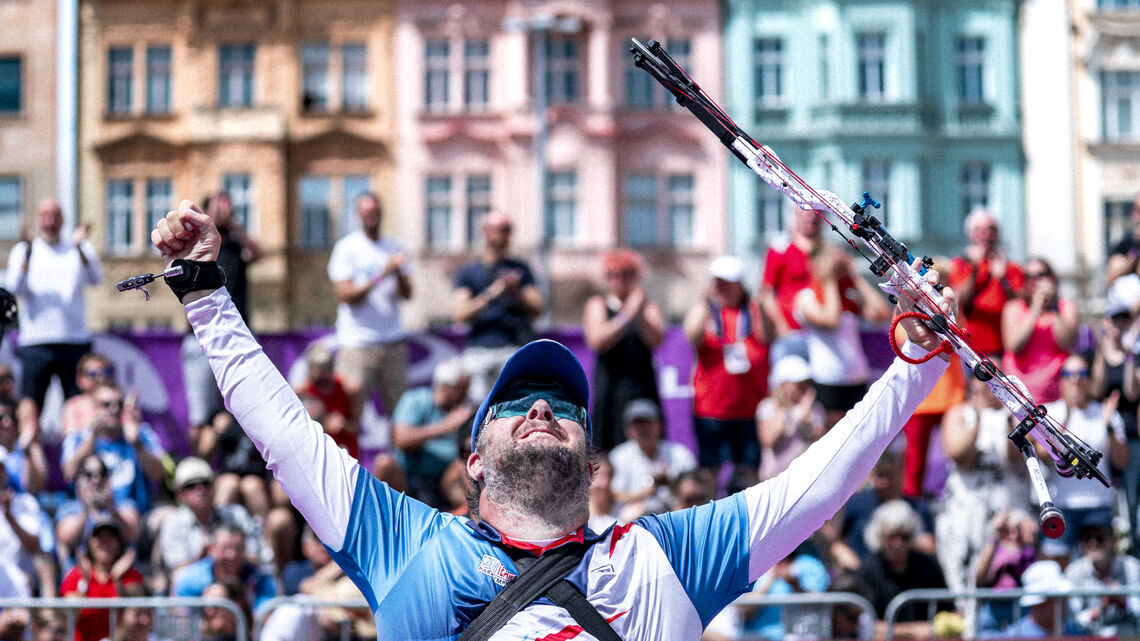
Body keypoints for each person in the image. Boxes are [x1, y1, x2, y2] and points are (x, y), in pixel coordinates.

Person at [150, 199, 955, 640]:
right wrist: (206, 290)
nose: (541, 406)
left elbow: (817, 484)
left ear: (594, 465)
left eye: (566, 407)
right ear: (473, 459)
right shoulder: (409, 544)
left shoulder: (662, 557)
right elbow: (283, 431)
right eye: (514, 404)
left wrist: (916, 359)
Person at [934, 374, 1033, 594]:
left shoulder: (1012, 416)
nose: (988, 387)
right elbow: (959, 455)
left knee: (1007, 576)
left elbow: (1015, 457)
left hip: (1007, 511)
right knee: (964, 577)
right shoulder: (959, 413)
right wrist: (977, 419)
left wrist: (1008, 420)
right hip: (966, 515)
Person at [684, 255, 774, 493]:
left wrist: (762, 304)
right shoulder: (707, 311)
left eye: (728, 283)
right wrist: (705, 300)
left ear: (740, 284)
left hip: (749, 409)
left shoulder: (753, 311)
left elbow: (768, 336)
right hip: (711, 408)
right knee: (709, 473)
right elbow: (692, 335)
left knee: (749, 473)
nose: (722, 288)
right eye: (718, 282)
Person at [5, 199, 103, 410]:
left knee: (78, 406)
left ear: (63, 220)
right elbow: (13, 286)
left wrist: (79, 247)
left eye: (55, 216)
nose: (50, 222)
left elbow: (96, 279)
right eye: (45, 216)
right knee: (31, 406)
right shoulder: (23, 250)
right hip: (36, 341)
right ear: (37, 220)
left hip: (74, 339)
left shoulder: (78, 247)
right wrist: (29, 252)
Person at [181, 190, 263, 428]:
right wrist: (210, 223)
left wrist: (234, 225)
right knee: (200, 417)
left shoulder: (236, 246)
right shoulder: (197, 246)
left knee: (250, 410)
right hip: (201, 337)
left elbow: (258, 254)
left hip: (237, 335)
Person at [328, 192, 412, 422]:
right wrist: (382, 272)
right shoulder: (346, 248)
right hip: (357, 343)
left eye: (375, 212)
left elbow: (408, 294)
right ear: (357, 215)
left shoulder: (395, 246)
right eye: (367, 212)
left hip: (392, 342)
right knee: (349, 417)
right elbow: (345, 295)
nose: (372, 216)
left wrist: (399, 273)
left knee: (402, 416)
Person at [1041, 353, 1129, 563]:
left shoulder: (1105, 413)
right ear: (1061, 380)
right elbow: (1044, 457)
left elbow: (1122, 461)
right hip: (1062, 505)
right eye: (1068, 374)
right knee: (1057, 569)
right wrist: (1066, 416)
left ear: (1089, 379)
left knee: (1099, 570)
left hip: (1098, 505)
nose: (1076, 380)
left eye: (1081, 373)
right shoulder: (1050, 413)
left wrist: (1108, 425)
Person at [451, 211, 544, 401]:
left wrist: (516, 292)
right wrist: (494, 292)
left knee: (513, 405)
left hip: (513, 346)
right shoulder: (469, 271)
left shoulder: (521, 269)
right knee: (477, 406)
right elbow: (459, 314)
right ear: (486, 232)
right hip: (479, 348)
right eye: (501, 229)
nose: (506, 235)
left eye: (508, 230)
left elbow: (538, 308)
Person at [794, 246, 890, 427]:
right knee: (833, 434)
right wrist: (828, 279)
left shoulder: (847, 294)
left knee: (860, 432)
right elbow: (831, 321)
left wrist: (854, 276)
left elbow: (881, 314)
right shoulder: (806, 297)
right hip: (828, 379)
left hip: (857, 377)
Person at [582, 249, 665, 451]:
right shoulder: (598, 304)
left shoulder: (647, 307)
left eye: (626, 273)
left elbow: (656, 339)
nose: (620, 280)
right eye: (613, 274)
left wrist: (639, 312)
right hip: (611, 389)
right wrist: (628, 314)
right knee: (607, 447)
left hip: (641, 388)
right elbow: (597, 340)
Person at [154, 457, 259, 590]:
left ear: (214, 488)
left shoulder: (236, 514)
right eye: (191, 486)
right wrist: (204, 558)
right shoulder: (172, 523)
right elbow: (177, 573)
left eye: (205, 483)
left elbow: (255, 558)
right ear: (179, 494)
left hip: (239, 586)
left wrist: (227, 553)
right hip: (195, 592)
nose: (200, 489)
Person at [60, 383, 165, 514]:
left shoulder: (141, 433)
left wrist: (136, 442)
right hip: (88, 514)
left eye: (119, 404)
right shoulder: (77, 438)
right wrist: (93, 436)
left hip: (134, 514)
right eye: (106, 404)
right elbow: (69, 473)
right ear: (93, 408)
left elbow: (158, 474)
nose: (114, 409)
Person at [853, 500, 950, 635]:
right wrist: (913, 631)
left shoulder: (928, 566)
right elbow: (863, 625)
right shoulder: (867, 570)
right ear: (880, 537)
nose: (898, 543)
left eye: (904, 537)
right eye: (891, 537)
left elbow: (950, 611)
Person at [389, 358, 476, 508]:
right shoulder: (417, 400)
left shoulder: (466, 410)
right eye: (461, 389)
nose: (465, 394)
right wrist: (446, 427)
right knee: (385, 464)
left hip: (446, 480)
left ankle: (469, 513)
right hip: (410, 476)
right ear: (446, 387)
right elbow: (401, 439)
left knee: (464, 466)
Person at [1091, 295, 1140, 552]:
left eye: (1124, 320)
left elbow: (1131, 392)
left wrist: (1129, 354)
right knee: (1106, 494)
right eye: (1115, 320)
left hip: (1130, 435)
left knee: (1131, 498)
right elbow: (1097, 389)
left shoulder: (1134, 355)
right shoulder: (1098, 353)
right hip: (1103, 432)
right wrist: (1104, 349)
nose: (1119, 325)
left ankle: (1131, 549)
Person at [1000, 258, 1079, 404]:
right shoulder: (1013, 307)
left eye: (1040, 275)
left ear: (1052, 278)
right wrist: (1035, 308)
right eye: (1028, 276)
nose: (1034, 281)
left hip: (1056, 398)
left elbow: (1066, 343)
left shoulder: (1065, 307)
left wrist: (1052, 306)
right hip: (1019, 397)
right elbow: (1013, 346)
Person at [949, 208, 1024, 358]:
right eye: (981, 230)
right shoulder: (960, 264)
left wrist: (1004, 279)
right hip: (970, 345)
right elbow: (959, 301)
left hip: (1005, 345)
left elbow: (1020, 304)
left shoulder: (1011, 267)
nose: (987, 235)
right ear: (971, 234)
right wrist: (974, 272)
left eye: (991, 230)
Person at [60, 517, 145, 641]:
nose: (105, 542)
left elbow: (137, 617)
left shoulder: (132, 576)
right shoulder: (76, 575)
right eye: (99, 537)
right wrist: (85, 583)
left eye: (110, 537)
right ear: (90, 543)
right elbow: (68, 617)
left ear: (118, 542)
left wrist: (117, 580)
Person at [608, 399, 696, 515]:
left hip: (672, 512)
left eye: (648, 423)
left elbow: (694, 489)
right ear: (628, 430)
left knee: (686, 510)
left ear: (659, 426)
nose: (643, 429)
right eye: (638, 425)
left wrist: (670, 483)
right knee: (631, 512)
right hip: (635, 516)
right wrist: (651, 489)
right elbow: (615, 494)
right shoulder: (619, 456)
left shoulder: (679, 453)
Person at [170, 524, 276, 614]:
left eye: (238, 549)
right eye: (225, 548)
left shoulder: (259, 579)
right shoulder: (191, 579)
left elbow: (264, 616)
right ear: (212, 550)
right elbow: (184, 622)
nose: (232, 555)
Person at [1064, 513, 1140, 636]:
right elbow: (1072, 620)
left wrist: (1123, 601)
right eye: (1087, 538)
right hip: (1090, 636)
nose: (1093, 543)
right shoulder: (1074, 572)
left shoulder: (1132, 567)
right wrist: (1099, 609)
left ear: (1113, 540)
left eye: (1099, 538)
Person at [974, 509, 1038, 634]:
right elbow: (980, 578)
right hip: (993, 611)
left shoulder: (1029, 552)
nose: (1013, 535)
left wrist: (1031, 535)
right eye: (1008, 531)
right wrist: (995, 534)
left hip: (1020, 610)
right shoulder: (993, 550)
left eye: (1018, 530)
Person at [295, 344, 358, 457]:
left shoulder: (347, 390)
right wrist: (324, 424)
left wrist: (343, 424)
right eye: (318, 378)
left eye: (325, 375)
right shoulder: (300, 394)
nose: (322, 382)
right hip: (316, 452)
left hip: (345, 451)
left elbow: (356, 427)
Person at [1003, 560, 1081, 637]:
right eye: (1055, 599)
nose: (1063, 604)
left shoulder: (1075, 634)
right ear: (1038, 605)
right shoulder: (1014, 636)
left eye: (1063, 598)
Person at [61, 353, 116, 437]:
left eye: (106, 372)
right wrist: (94, 427)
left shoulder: (117, 402)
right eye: (93, 374)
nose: (101, 378)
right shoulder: (73, 405)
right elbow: (70, 438)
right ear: (80, 379)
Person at [1106, 193, 1140, 286]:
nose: (1135, 214)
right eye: (1135, 209)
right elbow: (1110, 278)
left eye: (1138, 210)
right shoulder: (1126, 244)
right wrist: (1134, 254)